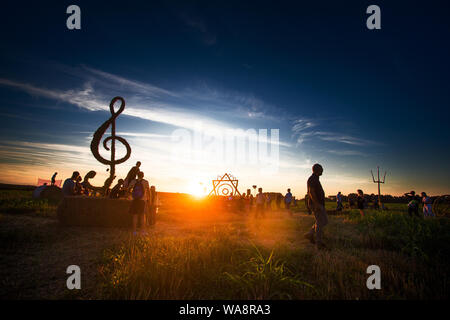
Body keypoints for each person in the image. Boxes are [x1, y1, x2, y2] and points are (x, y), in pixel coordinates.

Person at [304, 164, 328, 250]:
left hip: (318, 203)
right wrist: (317, 204)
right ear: (317, 170)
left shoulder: (316, 178)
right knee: (321, 222)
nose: (323, 170)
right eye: (322, 169)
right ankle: (319, 243)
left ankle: (310, 234)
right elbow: (311, 192)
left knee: (323, 221)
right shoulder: (312, 179)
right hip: (316, 204)